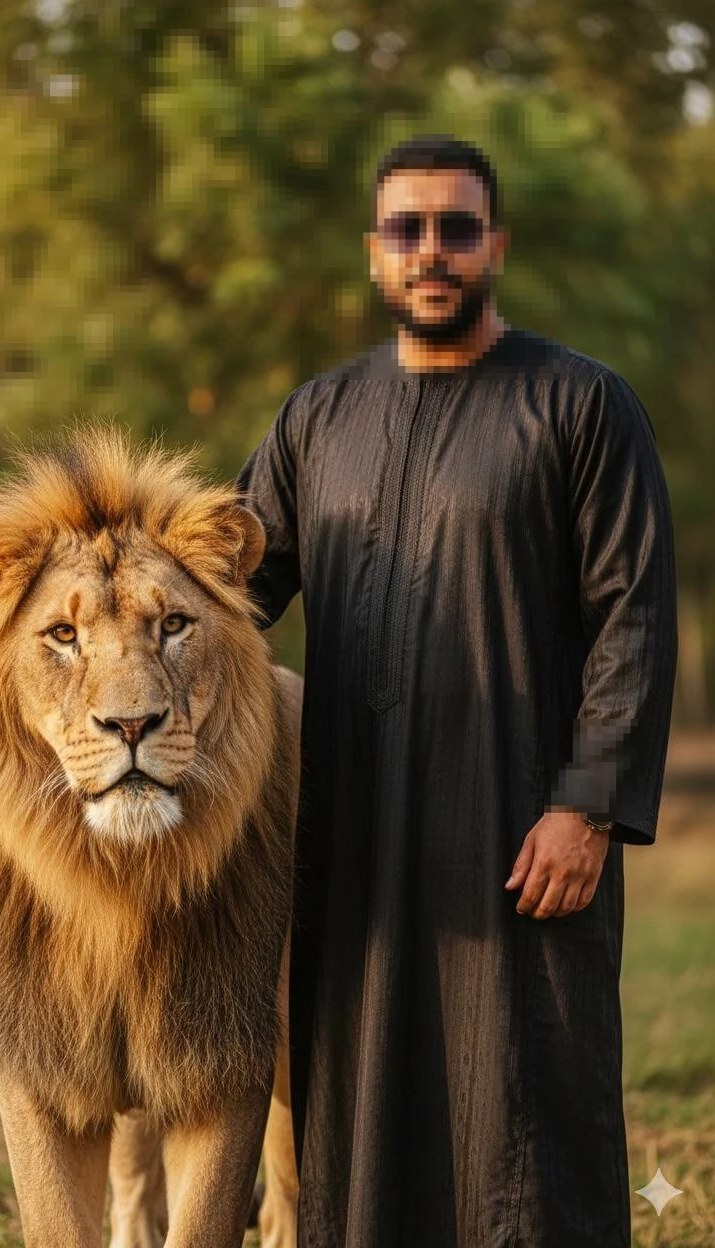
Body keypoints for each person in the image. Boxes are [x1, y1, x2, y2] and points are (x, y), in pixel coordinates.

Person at [235, 135, 677, 1248]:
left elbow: (633, 609)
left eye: (456, 227)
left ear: (495, 245)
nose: (431, 250)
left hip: (521, 832)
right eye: (406, 229)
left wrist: (587, 804)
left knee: (529, 1112)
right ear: (375, 254)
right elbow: (226, 589)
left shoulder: (581, 405)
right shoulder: (314, 420)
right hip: (356, 840)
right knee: (357, 1111)